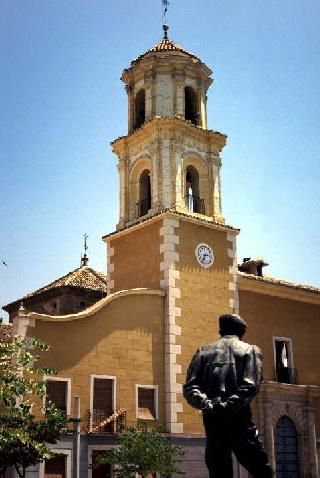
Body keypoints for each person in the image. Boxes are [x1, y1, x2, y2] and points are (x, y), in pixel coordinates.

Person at [183, 313, 272, 478]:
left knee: (219, 469)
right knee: (261, 468)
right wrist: (230, 405)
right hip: (238, 418)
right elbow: (251, 384)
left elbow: (190, 387)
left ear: (220, 330)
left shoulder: (203, 352)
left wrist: (206, 404)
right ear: (242, 332)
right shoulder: (250, 350)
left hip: (212, 419)